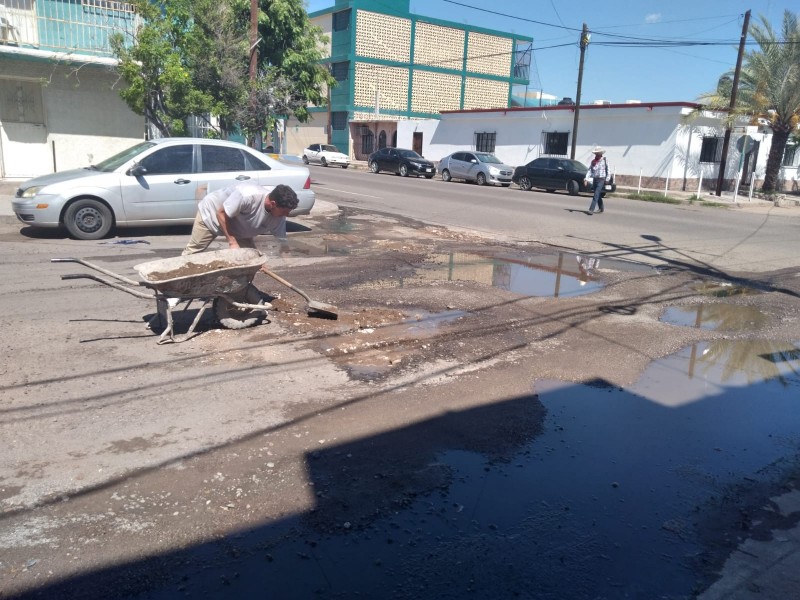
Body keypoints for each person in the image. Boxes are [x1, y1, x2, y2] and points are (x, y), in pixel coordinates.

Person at [182, 183, 298, 255]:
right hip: (211, 214)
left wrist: (285, 250)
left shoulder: (279, 215)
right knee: (193, 252)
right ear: (273, 204)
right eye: (284, 212)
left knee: (251, 259)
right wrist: (232, 242)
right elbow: (220, 213)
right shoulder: (248, 195)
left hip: (238, 227)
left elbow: (281, 239)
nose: (286, 216)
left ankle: (240, 292)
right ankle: (175, 288)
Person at [584, 147, 610, 214]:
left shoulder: (605, 160)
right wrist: (586, 179)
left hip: (601, 179)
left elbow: (608, 170)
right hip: (595, 179)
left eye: (598, 153)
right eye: (596, 154)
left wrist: (607, 178)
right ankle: (601, 208)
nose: (597, 155)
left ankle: (591, 209)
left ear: (601, 154)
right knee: (597, 194)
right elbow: (590, 170)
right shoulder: (593, 161)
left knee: (596, 194)